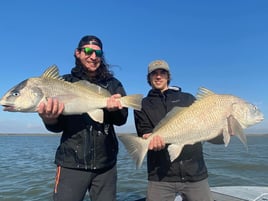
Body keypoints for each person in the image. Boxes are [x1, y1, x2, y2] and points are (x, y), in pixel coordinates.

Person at [38, 35, 128, 201]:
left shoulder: (113, 83)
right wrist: (49, 119)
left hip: (106, 165)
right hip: (71, 163)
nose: (93, 57)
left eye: (98, 53)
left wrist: (114, 110)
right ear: (77, 53)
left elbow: (122, 119)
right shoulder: (63, 82)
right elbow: (57, 127)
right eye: (87, 51)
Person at [134, 60, 222, 201]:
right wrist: (148, 139)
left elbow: (207, 132)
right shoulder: (142, 104)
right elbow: (144, 130)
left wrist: (225, 132)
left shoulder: (187, 98)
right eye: (154, 73)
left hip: (194, 174)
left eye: (162, 73)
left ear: (168, 76)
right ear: (149, 78)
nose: (158, 76)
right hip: (160, 176)